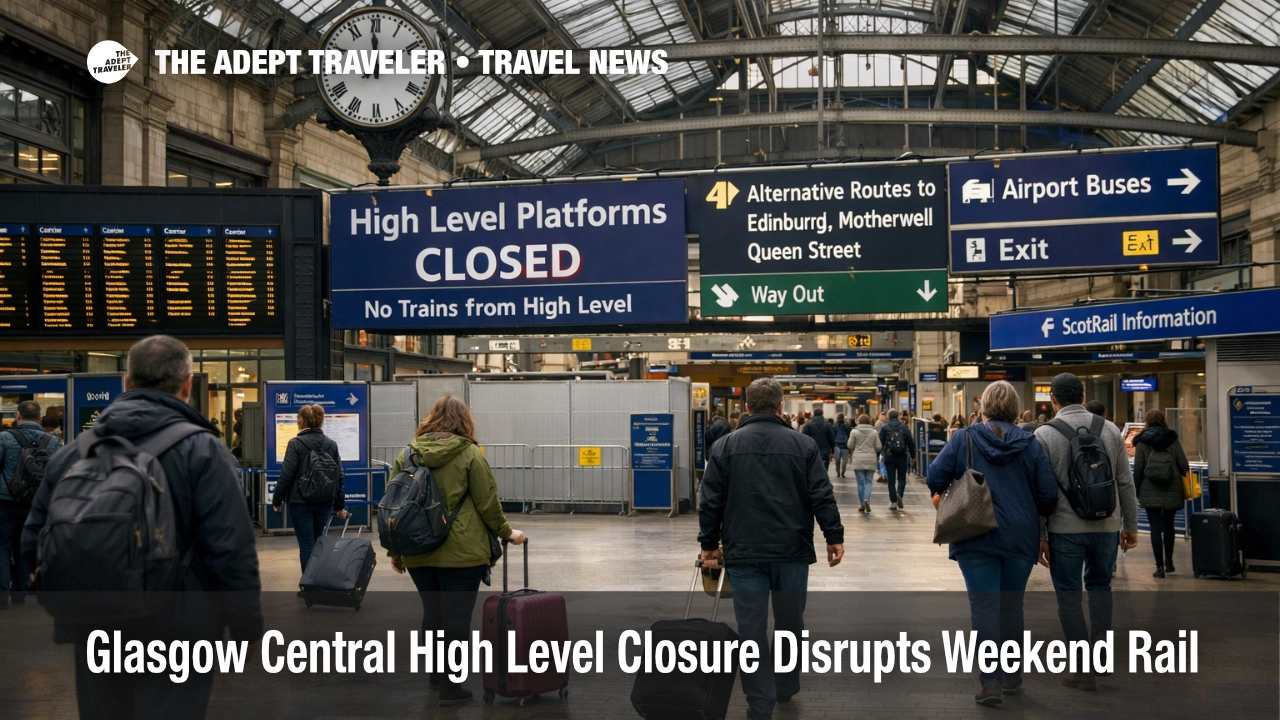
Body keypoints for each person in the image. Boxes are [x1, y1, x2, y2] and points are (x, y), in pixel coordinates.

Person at [22, 335, 262, 719]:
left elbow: (34, 538)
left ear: (127, 384)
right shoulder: (203, 450)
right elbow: (229, 547)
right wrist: (247, 626)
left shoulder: (74, 452)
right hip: (180, 627)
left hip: (96, 626)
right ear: (187, 383)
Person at [698, 378, 844, 719]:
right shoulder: (803, 445)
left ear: (746, 407)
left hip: (744, 552)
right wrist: (833, 536)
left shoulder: (724, 446)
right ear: (780, 408)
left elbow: (710, 500)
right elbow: (821, 494)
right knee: (790, 622)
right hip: (791, 551)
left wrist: (708, 545)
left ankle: (759, 703)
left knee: (751, 629)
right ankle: (785, 685)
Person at [386, 395, 526, 706]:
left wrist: (395, 551)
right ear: (465, 421)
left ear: (432, 418)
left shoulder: (408, 453)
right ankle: (452, 686)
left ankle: (436, 676)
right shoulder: (470, 454)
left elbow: (394, 505)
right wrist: (507, 533)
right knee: (457, 619)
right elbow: (487, 502)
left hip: (418, 548)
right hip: (462, 552)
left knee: (432, 614)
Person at [927, 381, 1058, 705]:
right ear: (1016, 409)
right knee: (1012, 605)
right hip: (1019, 534)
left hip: (974, 532)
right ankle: (1012, 674)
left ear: (983, 406)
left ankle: (991, 684)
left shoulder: (964, 438)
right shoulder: (1031, 443)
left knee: (984, 607)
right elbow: (1048, 495)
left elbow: (934, 477)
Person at [1034, 373, 1138, 691]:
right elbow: (1124, 482)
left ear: (1052, 399)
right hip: (1106, 525)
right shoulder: (1109, 429)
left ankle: (1082, 668)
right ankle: (1101, 659)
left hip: (1064, 529)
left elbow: (1041, 491)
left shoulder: (1043, 435)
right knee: (1100, 587)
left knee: (1068, 597)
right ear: (1083, 394)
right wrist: (1130, 526)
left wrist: (1041, 534)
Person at [272, 404, 350, 573]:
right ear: (321, 421)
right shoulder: (331, 444)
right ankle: (319, 580)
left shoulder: (296, 444)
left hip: (300, 501)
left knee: (307, 543)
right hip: (324, 501)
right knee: (318, 541)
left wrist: (276, 500)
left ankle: (308, 583)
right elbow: (339, 476)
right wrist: (339, 505)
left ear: (301, 421)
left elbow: (286, 475)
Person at [0, 401, 62, 605]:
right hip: (35, 500)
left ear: (18, 416)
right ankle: (20, 592)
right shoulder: (52, 441)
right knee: (23, 544)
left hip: (6, 500)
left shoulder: (5, 438)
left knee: (2, 545)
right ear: (40, 417)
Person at [1132, 410, 1190, 578]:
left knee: (1155, 528)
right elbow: (1184, 464)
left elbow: (1138, 468)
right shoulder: (1172, 439)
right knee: (1169, 525)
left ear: (1147, 423)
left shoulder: (1142, 442)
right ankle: (1170, 562)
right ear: (1163, 421)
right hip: (1172, 488)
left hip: (1149, 489)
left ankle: (1159, 567)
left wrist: (1137, 489)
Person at [879, 410, 916, 510]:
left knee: (891, 480)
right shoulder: (904, 427)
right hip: (902, 456)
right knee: (901, 478)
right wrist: (913, 456)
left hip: (889, 456)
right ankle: (899, 493)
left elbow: (880, 444)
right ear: (898, 416)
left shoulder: (884, 428)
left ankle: (893, 502)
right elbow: (910, 443)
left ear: (888, 416)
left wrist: (880, 454)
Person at [847, 414, 881, 513]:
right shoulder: (874, 432)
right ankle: (867, 499)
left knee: (860, 482)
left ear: (859, 422)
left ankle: (862, 504)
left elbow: (850, 445)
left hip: (858, 459)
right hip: (870, 459)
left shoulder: (854, 432)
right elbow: (878, 447)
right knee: (869, 481)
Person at [802, 408, 838, 473]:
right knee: (824, 469)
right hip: (825, 451)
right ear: (822, 414)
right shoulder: (827, 425)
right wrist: (832, 450)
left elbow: (803, 438)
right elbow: (832, 439)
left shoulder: (808, 425)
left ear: (814, 414)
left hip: (811, 450)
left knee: (812, 469)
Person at [833, 414, 852, 478]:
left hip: (837, 446)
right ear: (843, 418)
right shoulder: (848, 426)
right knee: (844, 461)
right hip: (845, 446)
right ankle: (843, 473)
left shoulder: (834, 426)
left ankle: (838, 472)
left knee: (837, 460)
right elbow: (850, 436)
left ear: (837, 418)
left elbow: (832, 436)